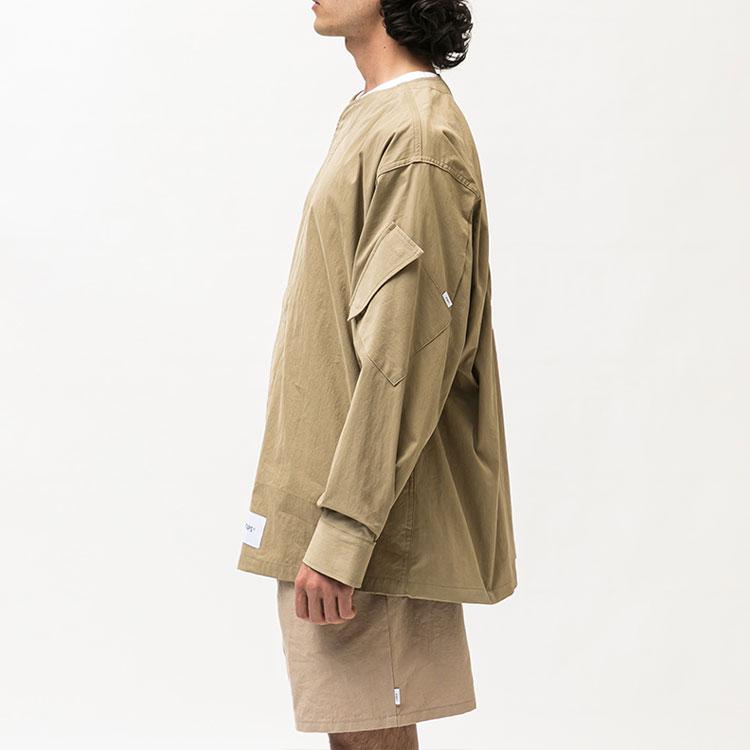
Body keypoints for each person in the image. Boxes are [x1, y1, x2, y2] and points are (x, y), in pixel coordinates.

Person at [237, 1, 518, 747]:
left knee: (368, 736)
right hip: (335, 493)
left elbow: (406, 355)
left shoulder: (417, 137)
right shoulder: (376, 115)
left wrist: (343, 535)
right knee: (354, 732)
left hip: (368, 518)